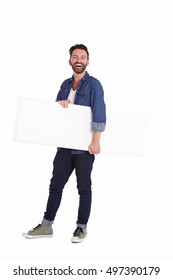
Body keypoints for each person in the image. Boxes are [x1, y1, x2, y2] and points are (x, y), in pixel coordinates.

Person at [22, 44, 106, 243]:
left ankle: (81, 228)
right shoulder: (64, 85)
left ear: (88, 61)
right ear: (69, 61)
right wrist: (62, 105)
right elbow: (55, 115)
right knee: (55, 186)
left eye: (82, 57)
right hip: (64, 146)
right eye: (75, 57)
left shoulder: (94, 84)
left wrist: (96, 141)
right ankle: (46, 225)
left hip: (84, 148)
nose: (79, 60)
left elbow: (99, 112)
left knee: (84, 188)